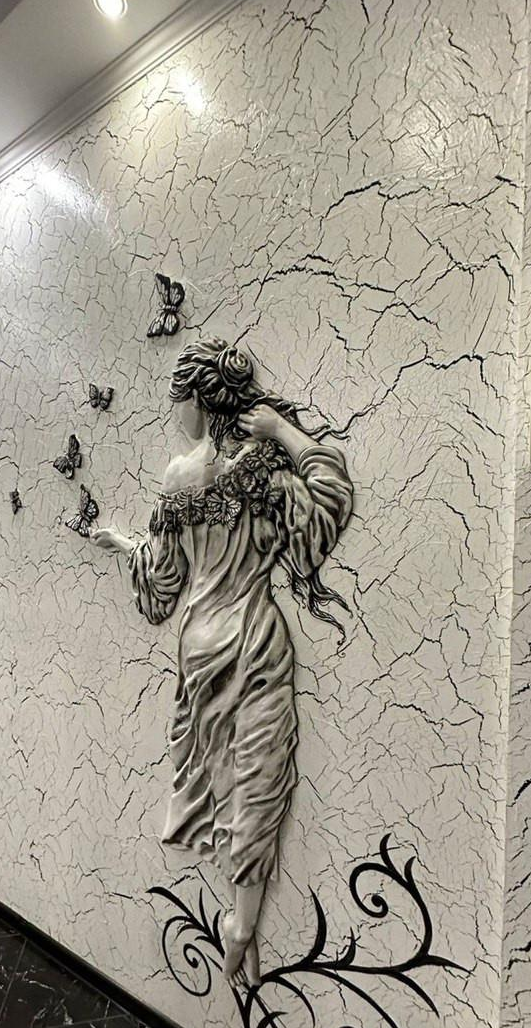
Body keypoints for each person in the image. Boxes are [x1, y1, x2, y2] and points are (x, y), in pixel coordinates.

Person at [93, 338, 352, 985]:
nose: (174, 412)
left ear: (200, 402)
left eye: (178, 399)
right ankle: (243, 922)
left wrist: (125, 545)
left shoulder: (178, 479)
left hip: (201, 648)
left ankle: (238, 927)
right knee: (258, 779)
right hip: (257, 640)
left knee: (221, 780)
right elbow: (328, 499)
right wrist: (284, 431)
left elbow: (163, 582)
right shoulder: (265, 471)